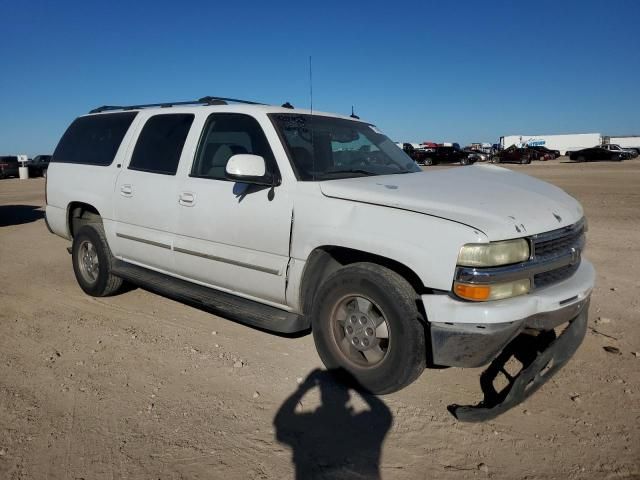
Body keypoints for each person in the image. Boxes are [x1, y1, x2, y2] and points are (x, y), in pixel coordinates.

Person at [274, 369, 393, 480]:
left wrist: (304, 388)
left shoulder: (311, 425)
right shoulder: (360, 426)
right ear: (348, 397)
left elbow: (281, 422)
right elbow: (385, 415)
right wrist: (356, 385)